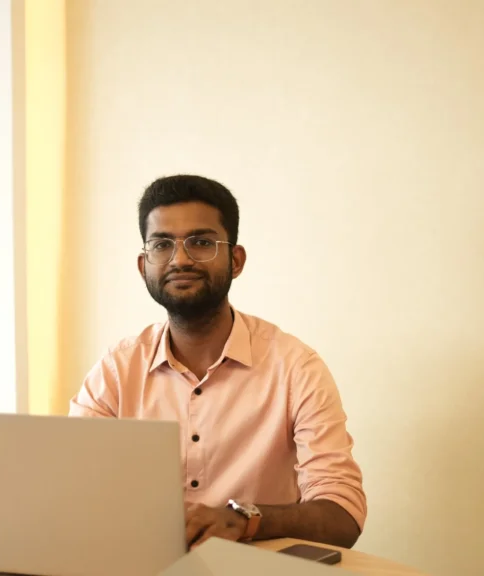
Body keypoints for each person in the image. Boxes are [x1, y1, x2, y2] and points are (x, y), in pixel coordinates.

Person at [69, 175, 366, 550]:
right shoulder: (116, 371)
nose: (180, 259)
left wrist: (243, 520)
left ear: (236, 260)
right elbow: (73, 488)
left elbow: (342, 515)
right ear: (144, 265)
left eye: (202, 242)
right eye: (162, 244)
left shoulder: (296, 368)